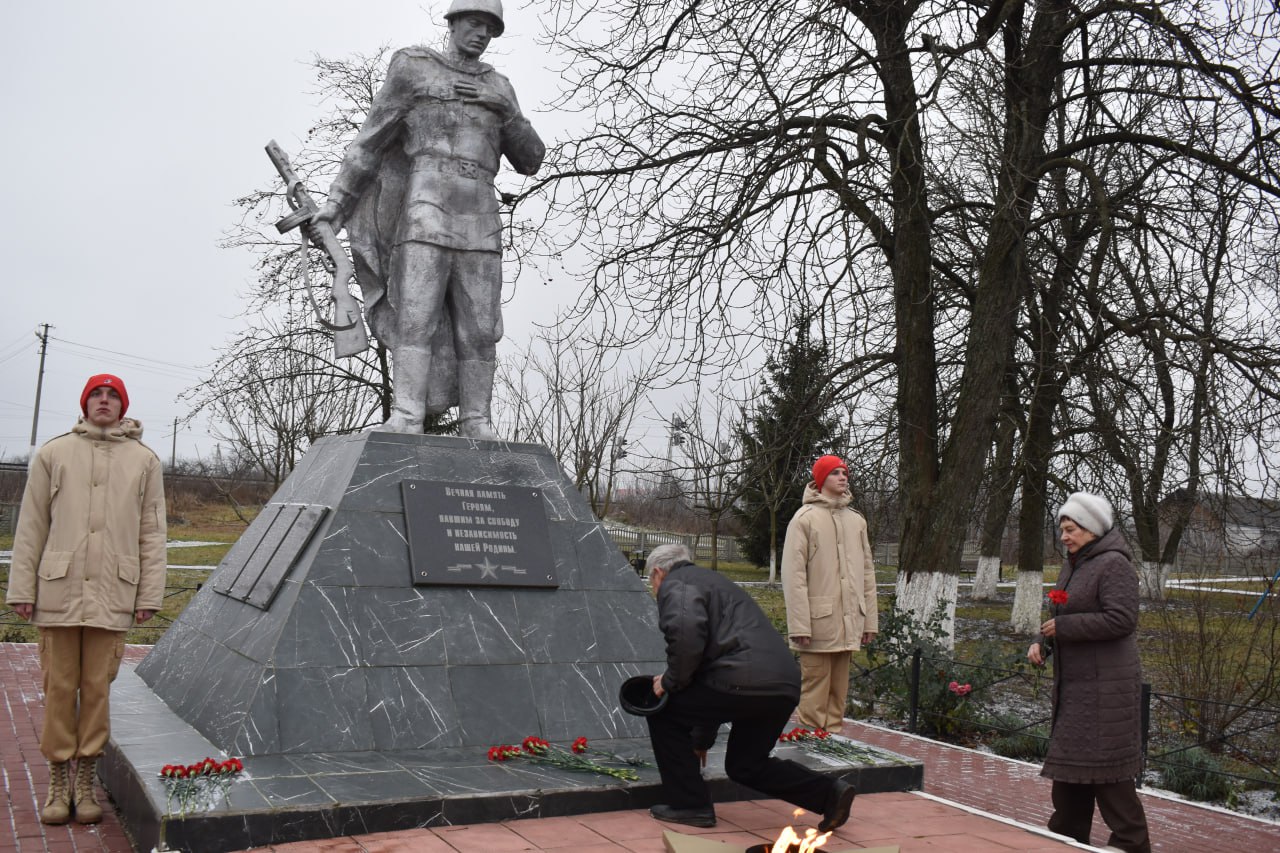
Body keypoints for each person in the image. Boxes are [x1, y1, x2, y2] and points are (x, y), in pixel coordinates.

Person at [310, 0, 544, 438]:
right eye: (474, 23)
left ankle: (478, 422)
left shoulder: (500, 86)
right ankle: (407, 416)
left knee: (479, 329)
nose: (481, 34)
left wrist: (507, 111)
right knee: (415, 319)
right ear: (454, 22)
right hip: (424, 212)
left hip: (480, 218)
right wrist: (337, 204)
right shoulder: (414, 68)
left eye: (490, 28)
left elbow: (531, 159)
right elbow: (369, 144)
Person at [5, 374, 166, 825]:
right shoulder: (53, 453)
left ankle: (85, 781)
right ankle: (59, 780)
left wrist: (148, 592)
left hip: (113, 590)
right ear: (84, 403)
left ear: (123, 406)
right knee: (59, 686)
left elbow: (152, 534)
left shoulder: (144, 461)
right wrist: (22, 589)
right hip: (58, 588)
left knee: (97, 690)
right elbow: (32, 525)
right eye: (96, 393)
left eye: (112, 395)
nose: (104, 401)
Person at [643, 543, 856, 832]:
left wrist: (667, 681)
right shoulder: (716, 582)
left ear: (658, 572)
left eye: (651, 582)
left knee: (664, 712)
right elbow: (708, 676)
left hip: (740, 681)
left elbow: (687, 639)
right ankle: (829, 794)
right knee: (746, 765)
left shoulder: (676, 584)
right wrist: (700, 741)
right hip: (782, 685)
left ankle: (689, 805)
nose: (654, 589)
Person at [1027, 492, 1151, 853]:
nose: (1064, 536)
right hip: (1077, 689)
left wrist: (1062, 630)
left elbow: (1122, 620)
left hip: (1106, 689)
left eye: (1072, 529)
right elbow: (1061, 612)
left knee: (1110, 780)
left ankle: (1133, 844)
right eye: (1062, 529)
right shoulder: (1075, 563)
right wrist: (1042, 641)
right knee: (1068, 778)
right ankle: (1068, 839)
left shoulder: (1114, 564)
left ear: (1093, 528)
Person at [781, 455, 878, 733]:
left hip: (849, 620)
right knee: (814, 690)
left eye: (845, 472)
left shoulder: (857, 521)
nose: (843, 477)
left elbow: (867, 574)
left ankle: (833, 741)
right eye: (835, 473)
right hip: (817, 622)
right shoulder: (804, 520)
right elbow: (793, 576)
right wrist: (799, 625)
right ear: (821, 479)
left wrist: (869, 620)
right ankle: (811, 747)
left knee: (839, 691)